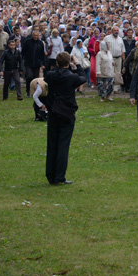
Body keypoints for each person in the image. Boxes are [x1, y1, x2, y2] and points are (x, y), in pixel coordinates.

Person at [43, 51, 86, 185]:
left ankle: (51, 175)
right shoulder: (71, 77)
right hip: (66, 111)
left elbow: (47, 78)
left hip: (53, 110)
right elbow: (83, 77)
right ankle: (60, 176)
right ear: (68, 63)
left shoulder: (50, 75)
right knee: (63, 144)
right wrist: (77, 64)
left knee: (52, 143)